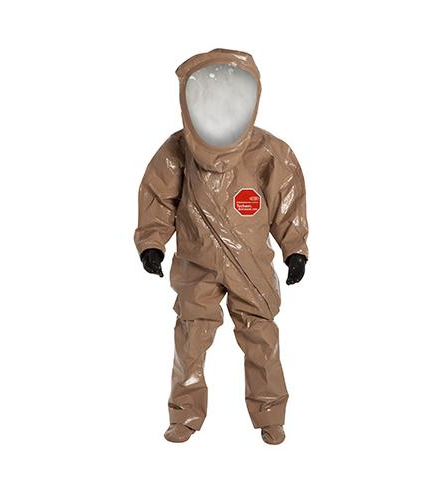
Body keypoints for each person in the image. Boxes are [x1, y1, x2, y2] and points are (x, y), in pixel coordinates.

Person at [134, 48, 309, 444]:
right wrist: (152, 242)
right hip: (196, 263)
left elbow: (288, 200)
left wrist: (294, 249)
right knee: (190, 340)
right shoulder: (178, 150)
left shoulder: (268, 152)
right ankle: (184, 415)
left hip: (251, 265)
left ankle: (270, 414)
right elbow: (158, 196)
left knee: (261, 338)